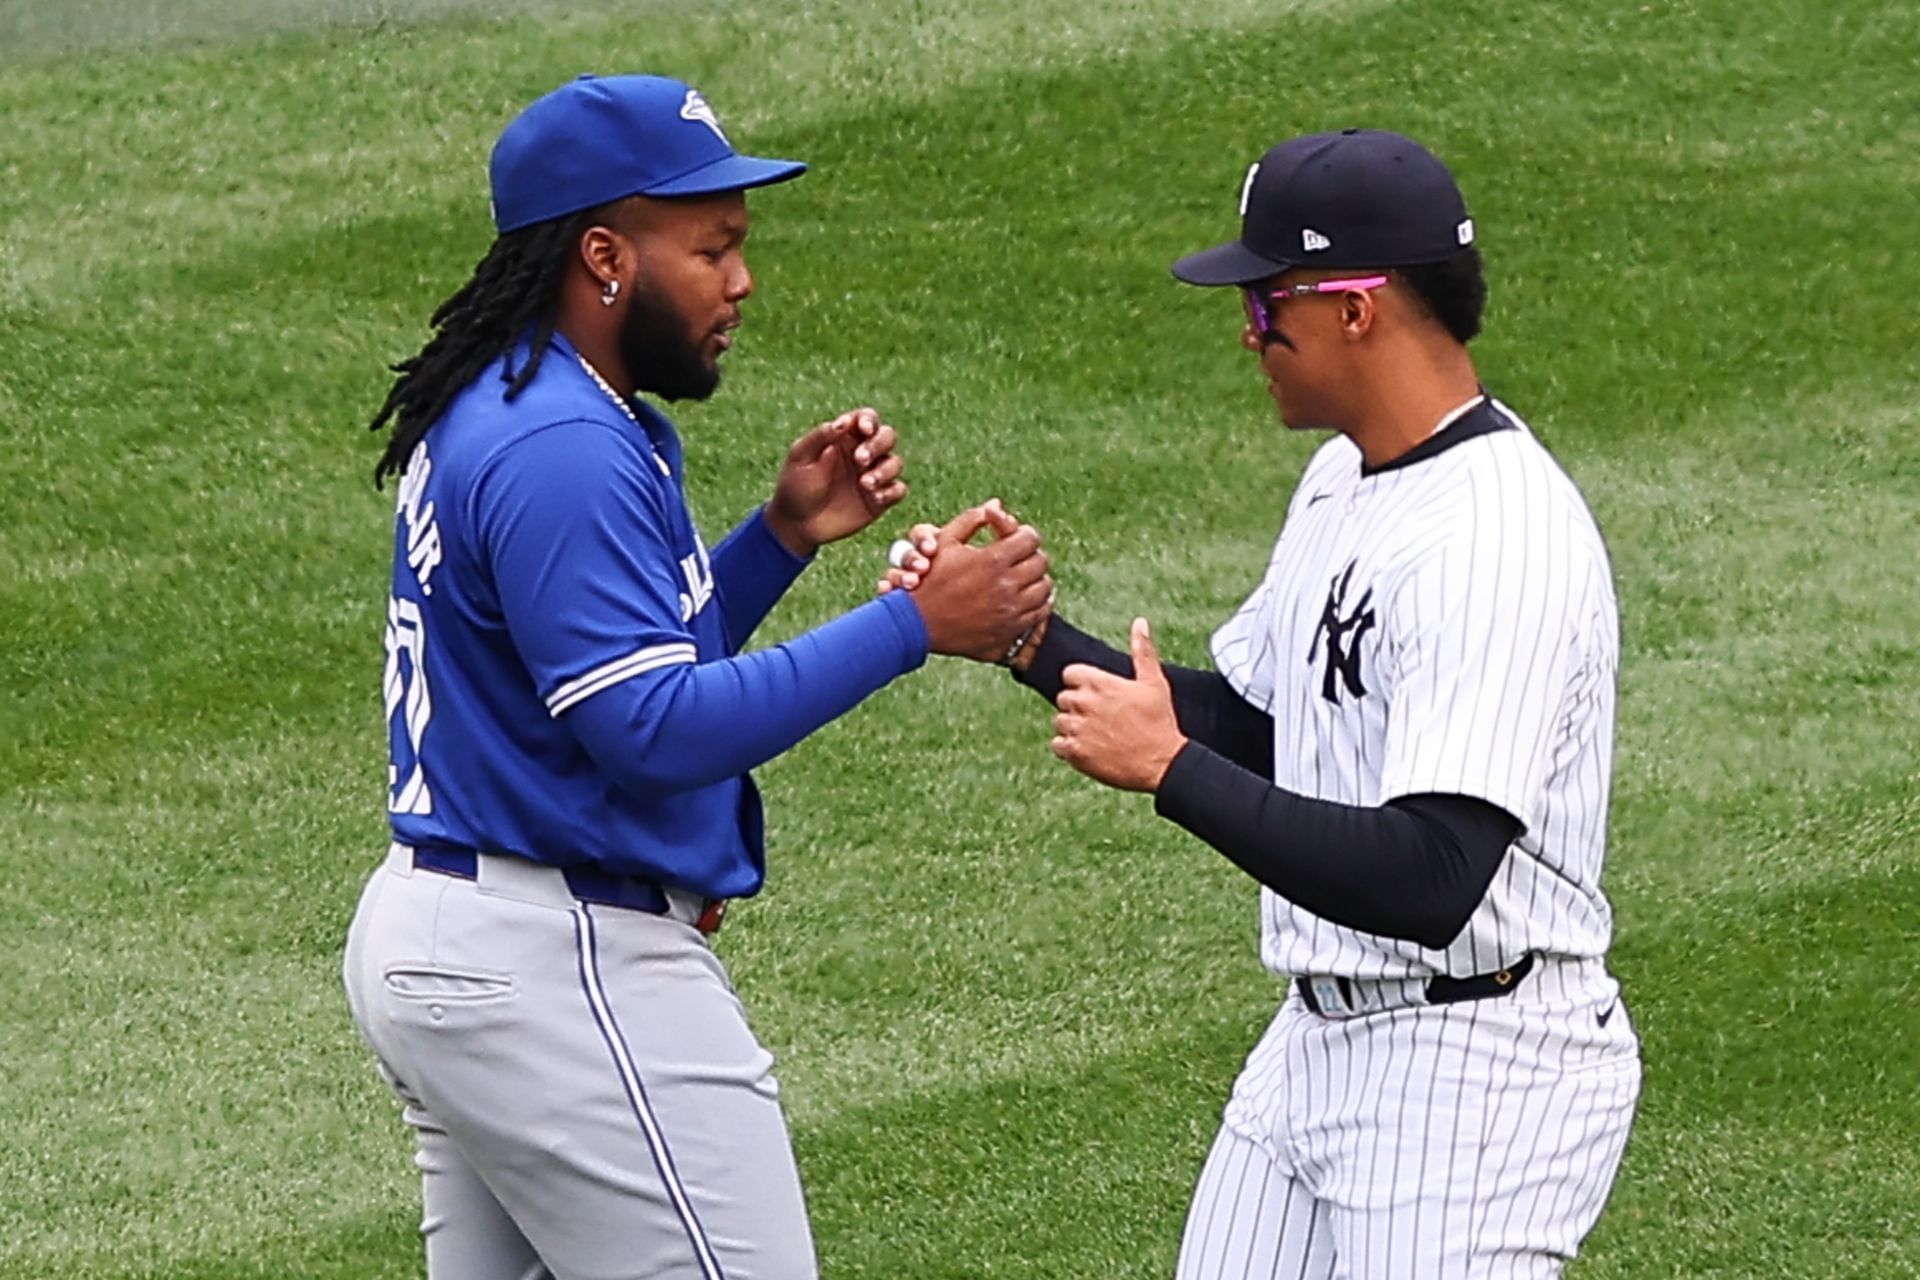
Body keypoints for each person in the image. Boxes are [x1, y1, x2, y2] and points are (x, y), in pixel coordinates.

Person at [887, 129, 1640, 1277]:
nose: (1249, 334)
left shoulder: (1499, 535)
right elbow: (1269, 725)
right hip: (1315, 1041)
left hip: (1481, 1062)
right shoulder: (1344, 476)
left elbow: (1436, 875)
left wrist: (1170, 774)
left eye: (1267, 302)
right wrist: (1021, 638)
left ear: (1356, 306)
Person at [341, 73, 1050, 1280]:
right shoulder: (561, 444)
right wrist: (915, 627)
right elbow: (651, 729)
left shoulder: (515, 403)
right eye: (712, 248)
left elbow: (594, 668)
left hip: (460, 926)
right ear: (605, 255)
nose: (742, 281)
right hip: (556, 965)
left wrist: (777, 539)